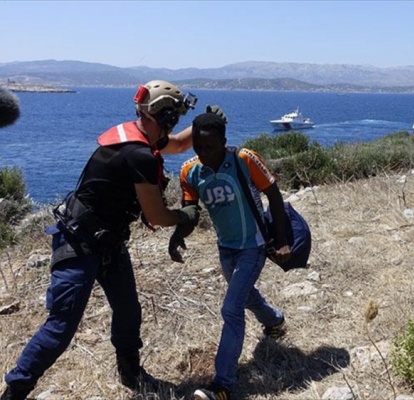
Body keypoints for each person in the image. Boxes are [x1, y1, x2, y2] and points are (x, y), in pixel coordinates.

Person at [1, 80, 207, 400]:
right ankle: (15, 390)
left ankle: (131, 374)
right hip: (80, 243)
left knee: (128, 311)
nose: (177, 120)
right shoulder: (139, 155)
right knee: (61, 327)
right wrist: (186, 216)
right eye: (177, 114)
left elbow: (179, 145)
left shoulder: (134, 134)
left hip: (106, 241)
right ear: (166, 116)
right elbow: (156, 216)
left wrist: (204, 125)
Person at [171, 111, 290, 400]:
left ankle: (222, 386)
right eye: (198, 147)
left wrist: (283, 241)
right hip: (226, 248)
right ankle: (275, 321)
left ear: (224, 141)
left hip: (254, 245)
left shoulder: (244, 159)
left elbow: (274, 195)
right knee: (245, 296)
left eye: (210, 148)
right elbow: (191, 210)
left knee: (231, 309)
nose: (204, 154)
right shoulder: (189, 171)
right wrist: (176, 235)